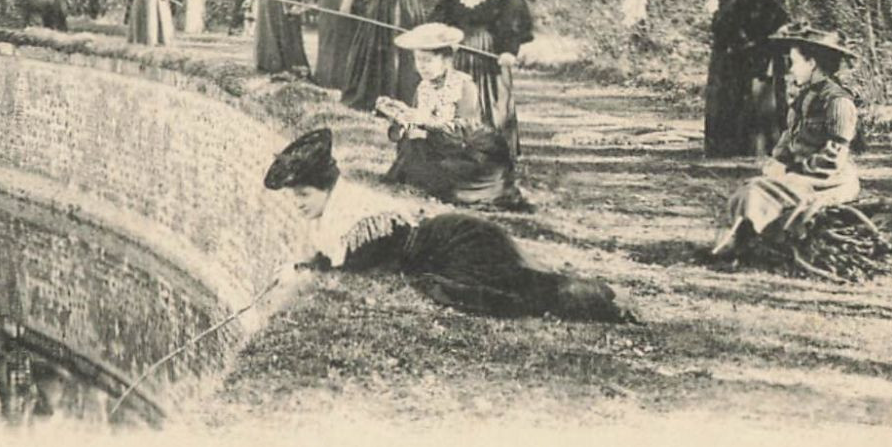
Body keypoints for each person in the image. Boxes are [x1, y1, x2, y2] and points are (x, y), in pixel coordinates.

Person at [263, 128, 632, 322]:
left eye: (304, 195)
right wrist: (306, 266)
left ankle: (605, 299)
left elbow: (354, 269)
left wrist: (305, 271)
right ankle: (600, 296)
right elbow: (337, 260)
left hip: (459, 243)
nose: (298, 205)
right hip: (445, 242)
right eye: (294, 197)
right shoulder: (343, 213)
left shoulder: (361, 220)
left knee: (520, 292)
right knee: (519, 286)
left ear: (327, 188)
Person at [710, 24, 860, 260]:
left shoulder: (838, 103)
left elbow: (834, 156)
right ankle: (741, 242)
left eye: (794, 62)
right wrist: (776, 161)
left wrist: (792, 170)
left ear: (812, 64)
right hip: (802, 175)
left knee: (757, 191)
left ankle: (745, 246)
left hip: (828, 181)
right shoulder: (805, 97)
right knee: (752, 186)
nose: (791, 70)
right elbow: (789, 137)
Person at [373, 23, 526, 208]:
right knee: (412, 157)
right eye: (418, 60)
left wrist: (426, 126)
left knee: (449, 178)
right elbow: (418, 120)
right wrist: (402, 116)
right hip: (435, 146)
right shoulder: (424, 87)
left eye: (428, 61)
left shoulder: (463, 86)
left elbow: (465, 130)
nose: (423, 67)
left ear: (446, 61)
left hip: (465, 149)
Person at [428, 0, 534, 155]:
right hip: (457, 47)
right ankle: (452, 149)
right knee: (453, 96)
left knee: (492, 100)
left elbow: (514, 19)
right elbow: (441, 10)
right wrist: (440, 35)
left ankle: (493, 154)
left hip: (490, 50)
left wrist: (509, 50)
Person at [704, 0, 789, 158]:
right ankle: (735, 147)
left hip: (743, 46)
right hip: (735, 45)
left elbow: (760, 13)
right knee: (733, 95)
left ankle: (742, 149)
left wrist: (728, 28)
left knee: (743, 96)